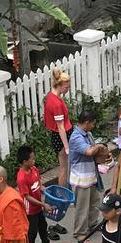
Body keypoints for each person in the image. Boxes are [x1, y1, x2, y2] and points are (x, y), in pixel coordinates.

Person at [68, 109, 108, 239]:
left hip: (91, 176)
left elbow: (93, 148)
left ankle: (92, 224)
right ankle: (80, 232)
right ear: (86, 122)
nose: (93, 126)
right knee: (82, 207)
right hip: (81, 178)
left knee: (94, 202)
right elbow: (89, 152)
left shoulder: (87, 134)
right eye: (92, 123)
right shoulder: (76, 137)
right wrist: (99, 146)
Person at [43, 68, 73, 211]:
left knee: (64, 167)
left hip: (60, 134)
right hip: (61, 136)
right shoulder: (55, 103)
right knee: (63, 167)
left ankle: (65, 191)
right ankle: (63, 194)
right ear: (59, 85)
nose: (67, 89)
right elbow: (60, 127)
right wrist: (66, 146)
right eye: (66, 87)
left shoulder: (52, 96)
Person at [16, 145, 56, 243]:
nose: (34, 160)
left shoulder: (34, 169)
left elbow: (39, 185)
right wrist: (43, 205)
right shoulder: (21, 178)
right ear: (25, 161)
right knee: (32, 232)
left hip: (38, 206)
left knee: (43, 226)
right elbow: (27, 197)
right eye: (32, 159)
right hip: (29, 210)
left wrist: (47, 192)